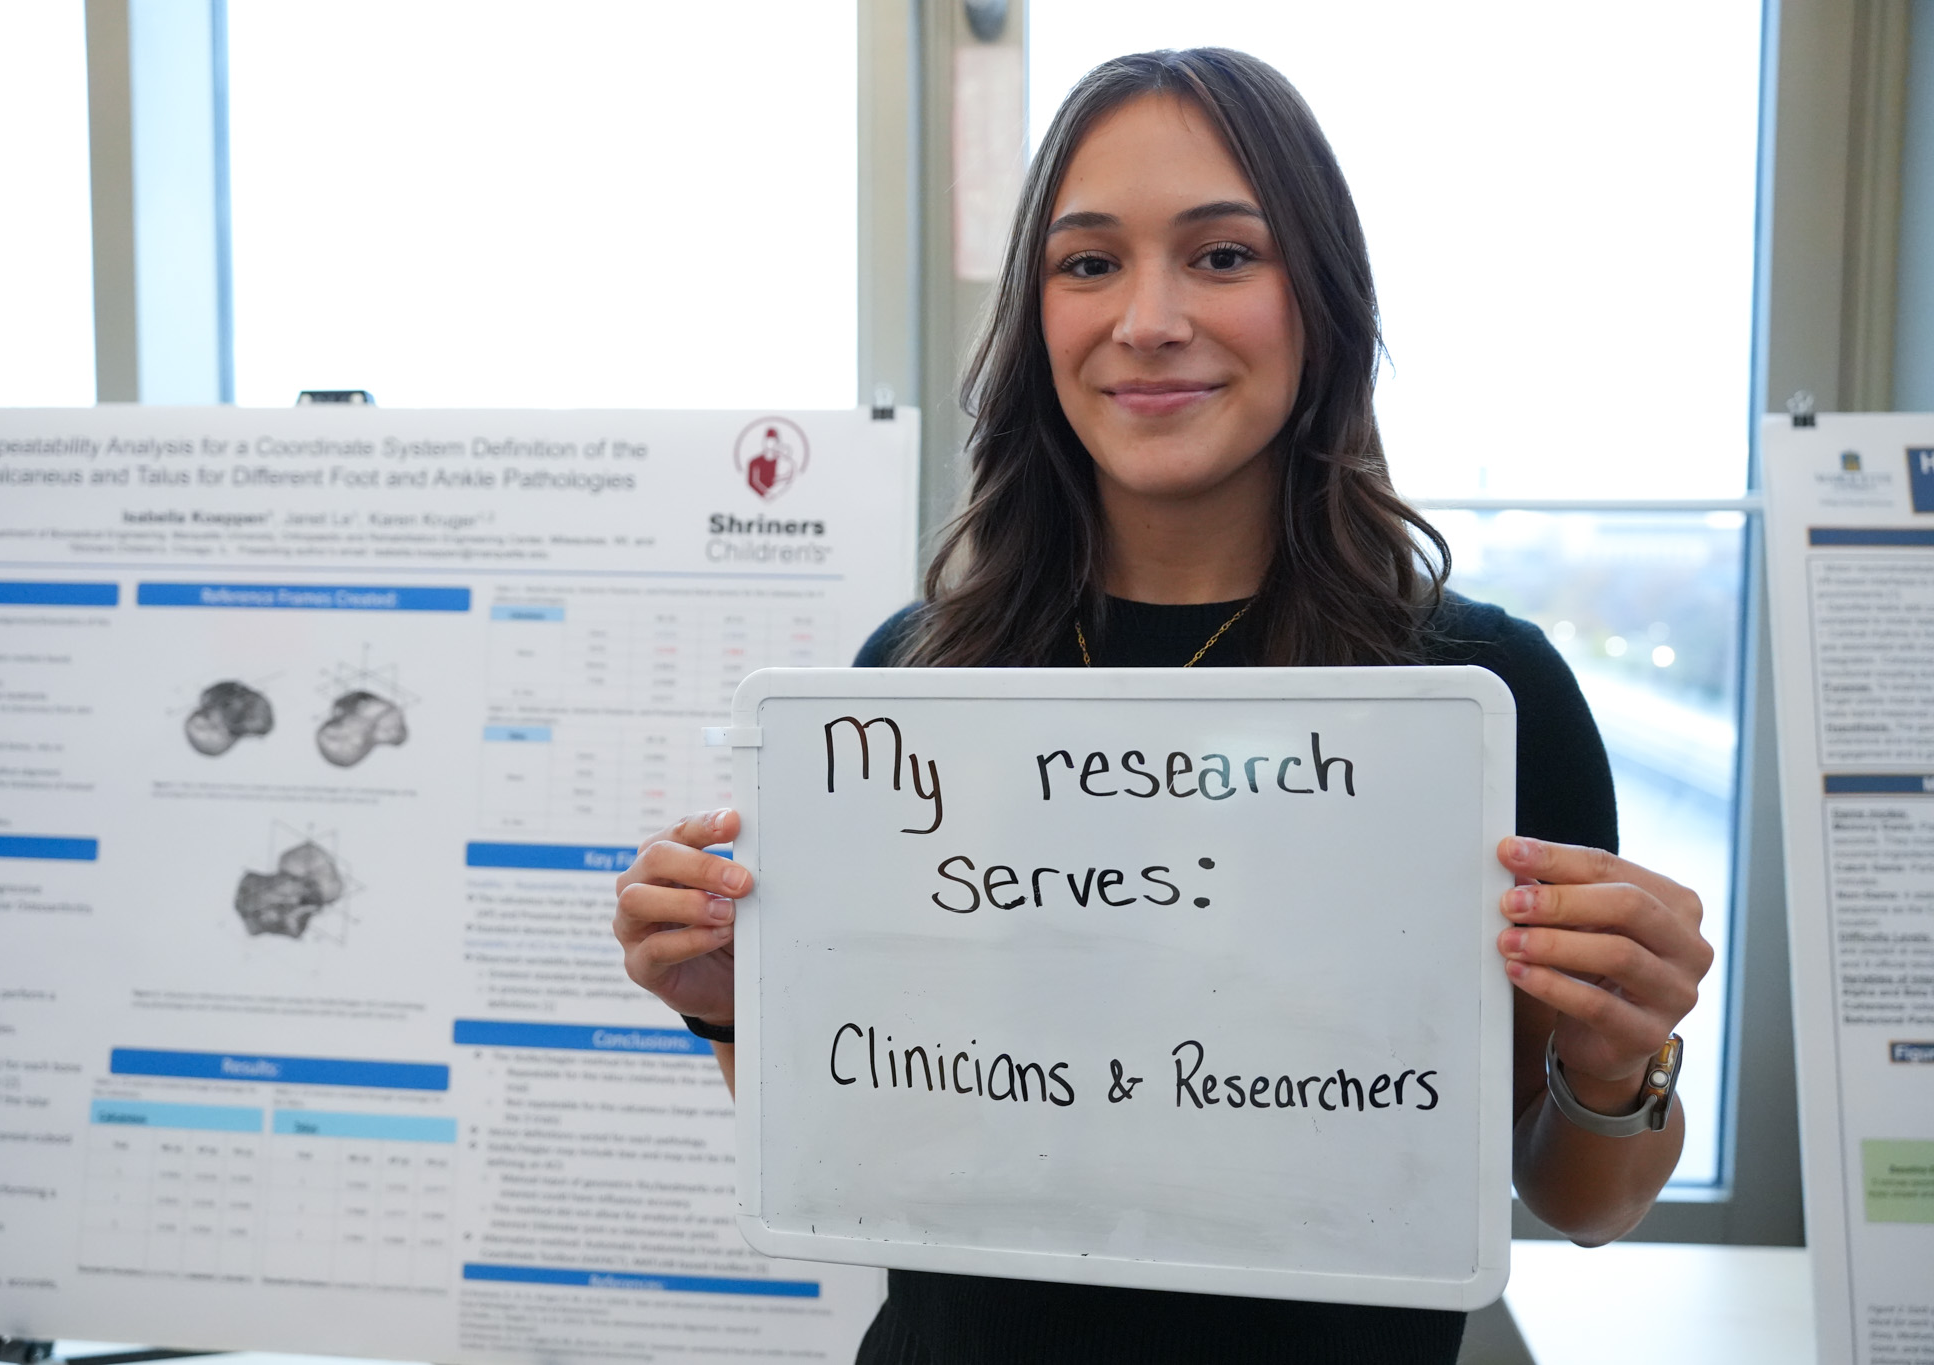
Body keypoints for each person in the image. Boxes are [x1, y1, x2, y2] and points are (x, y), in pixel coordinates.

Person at [613, 47, 1713, 1364]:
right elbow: (870, 1139)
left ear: (1323, 298)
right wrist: (736, 999)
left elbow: (1577, 1197)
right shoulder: (909, 687)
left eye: (1223, 255)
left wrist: (1617, 1057)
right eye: (1089, 263)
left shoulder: (1476, 695)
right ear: (1037, 319)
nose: (1146, 320)